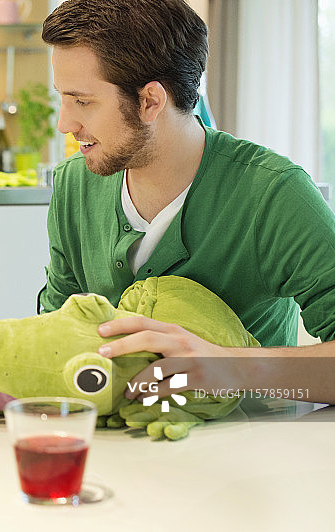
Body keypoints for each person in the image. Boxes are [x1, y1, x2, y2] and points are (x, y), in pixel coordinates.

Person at [39, 0, 335, 404]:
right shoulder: (74, 184)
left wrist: (232, 367)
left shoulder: (273, 193)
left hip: (251, 438)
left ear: (151, 101)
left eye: (82, 101)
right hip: (112, 439)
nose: (64, 124)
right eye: (62, 98)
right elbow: (54, 333)